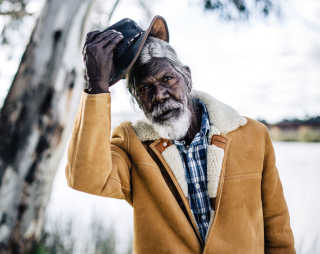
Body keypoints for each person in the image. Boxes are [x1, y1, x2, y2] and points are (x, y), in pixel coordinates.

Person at [65, 15, 296, 254]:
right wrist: (97, 87)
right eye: (145, 88)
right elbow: (86, 178)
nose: (160, 94)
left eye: (167, 79)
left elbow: (277, 229)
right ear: (137, 100)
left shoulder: (252, 136)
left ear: (187, 77)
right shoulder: (131, 143)